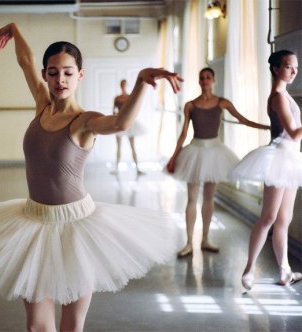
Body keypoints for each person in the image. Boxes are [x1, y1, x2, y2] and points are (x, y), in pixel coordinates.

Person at [0, 22, 183, 332]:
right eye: (53, 72)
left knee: (71, 326)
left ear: (80, 76)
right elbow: (25, 61)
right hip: (32, 222)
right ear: (46, 75)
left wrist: (141, 81)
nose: (60, 79)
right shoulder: (42, 105)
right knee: (36, 326)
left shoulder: (84, 121)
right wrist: (18, 32)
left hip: (77, 228)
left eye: (68, 72)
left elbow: (121, 123)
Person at [166, 67, 270, 258]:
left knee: (208, 198)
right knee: (191, 199)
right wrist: (173, 158)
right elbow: (183, 134)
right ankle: (189, 242)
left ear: (214, 80)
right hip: (195, 152)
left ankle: (205, 239)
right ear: (199, 81)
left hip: (215, 153)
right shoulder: (190, 105)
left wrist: (268, 127)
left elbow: (243, 120)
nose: (205, 80)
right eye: (202, 78)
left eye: (208, 77)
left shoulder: (222, 102)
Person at [230, 50, 302, 290]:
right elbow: (292, 133)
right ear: (276, 69)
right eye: (289, 66)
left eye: (296, 67)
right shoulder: (278, 96)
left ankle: (285, 271)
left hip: (291, 159)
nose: (294, 71)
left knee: (284, 219)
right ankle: (249, 269)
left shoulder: (286, 95)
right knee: (269, 217)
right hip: (279, 157)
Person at [111, 79, 148, 175]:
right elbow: (113, 111)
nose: (123, 86)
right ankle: (116, 169)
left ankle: (138, 168)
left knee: (133, 146)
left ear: (126, 85)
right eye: (122, 84)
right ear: (120, 85)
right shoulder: (117, 98)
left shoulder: (129, 97)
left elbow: (133, 110)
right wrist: (116, 118)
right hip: (119, 122)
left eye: (124, 84)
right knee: (118, 146)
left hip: (129, 123)